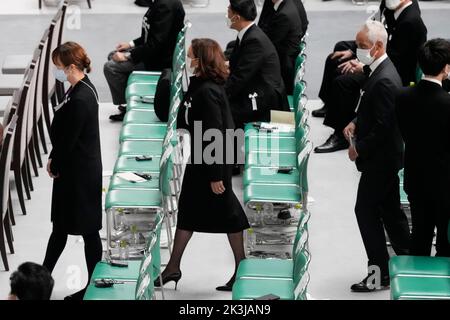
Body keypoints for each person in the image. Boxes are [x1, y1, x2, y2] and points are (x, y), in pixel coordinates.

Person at [155, 38, 250, 292]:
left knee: (231, 215)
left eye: (192, 56)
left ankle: (242, 267)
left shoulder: (207, 91)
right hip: (201, 159)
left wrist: (216, 175)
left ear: (201, 60)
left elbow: (215, 133)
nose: (188, 59)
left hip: (211, 162)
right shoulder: (199, 84)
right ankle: (173, 267)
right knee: (187, 213)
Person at [342, 21, 410, 292]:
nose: (357, 51)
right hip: (387, 158)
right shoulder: (380, 71)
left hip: (380, 160)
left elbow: (384, 126)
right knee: (391, 211)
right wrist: (356, 121)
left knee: (366, 212)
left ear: (378, 46)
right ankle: (408, 258)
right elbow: (373, 110)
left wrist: (359, 147)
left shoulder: (383, 80)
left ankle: (378, 273)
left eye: (361, 46)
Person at [313, 0, 426, 154]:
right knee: (338, 53)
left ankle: (340, 134)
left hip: (395, 68)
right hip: (381, 50)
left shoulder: (411, 22)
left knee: (343, 82)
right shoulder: (389, 5)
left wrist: (364, 65)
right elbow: (374, 32)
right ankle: (331, 105)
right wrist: (354, 51)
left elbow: (398, 58)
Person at [43, 42, 103, 300]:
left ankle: (91, 285)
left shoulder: (81, 98)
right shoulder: (80, 87)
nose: (56, 72)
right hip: (77, 170)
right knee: (61, 229)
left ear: (70, 67)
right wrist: (55, 158)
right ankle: (42, 279)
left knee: (87, 231)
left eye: (58, 68)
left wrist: (55, 163)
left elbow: (69, 140)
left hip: (79, 175)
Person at [396, 38, 450, 257]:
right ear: (446, 68)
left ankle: (417, 280)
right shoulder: (447, 103)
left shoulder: (402, 96)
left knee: (420, 235)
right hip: (445, 184)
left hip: (416, 177)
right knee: (446, 242)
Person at [105, 0, 185, 121]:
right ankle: (129, 102)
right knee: (112, 55)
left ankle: (128, 106)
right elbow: (151, 34)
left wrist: (128, 56)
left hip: (159, 63)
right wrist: (130, 44)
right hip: (154, 55)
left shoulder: (165, 6)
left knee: (111, 67)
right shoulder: (159, 2)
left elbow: (156, 44)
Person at [225, 0, 289, 130]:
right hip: (257, 90)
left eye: (228, 13)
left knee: (218, 110)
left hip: (265, 103)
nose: (226, 16)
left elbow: (239, 79)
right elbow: (237, 65)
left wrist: (219, 94)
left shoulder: (254, 40)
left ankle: (226, 149)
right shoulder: (248, 33)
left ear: (236, 17)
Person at [258, 0, 303, 95]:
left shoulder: (284, 14)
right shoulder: (287, 5)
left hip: (283, 64)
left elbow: (270, 44)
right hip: (285, 55)